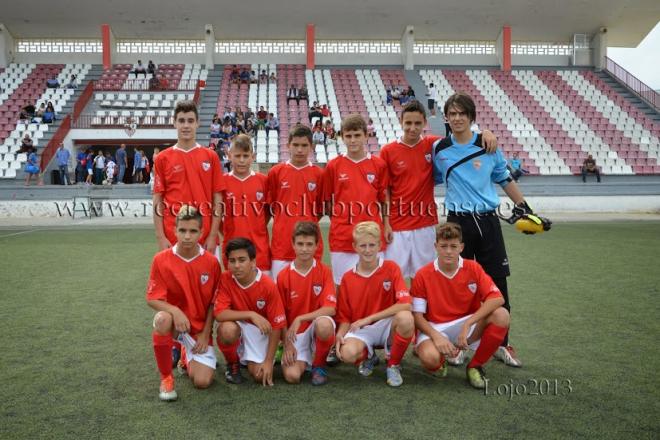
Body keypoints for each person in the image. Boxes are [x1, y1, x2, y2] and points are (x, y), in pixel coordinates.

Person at [433, 92, 541, 368]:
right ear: (446, 117)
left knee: (498, 283)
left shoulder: (488, 145)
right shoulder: (439, 150)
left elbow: (504, 179)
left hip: (488, 222)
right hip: (458, 223)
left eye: (462, 113)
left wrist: (525, 208)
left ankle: (502, 344)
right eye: (452, 113)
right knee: (461, 287)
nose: (457, 118)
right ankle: (461, 344)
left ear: (471, 117)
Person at [380, 101, 497, 280]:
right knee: (393, 277)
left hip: (425, 224)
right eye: (408, 123)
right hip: (396, 225)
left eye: (417, 123)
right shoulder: (388, 151)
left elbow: (462, 138)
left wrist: (485, 133)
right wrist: (386, 223)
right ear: (401, 122)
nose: (412, 128)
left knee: (423, 277)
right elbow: (385, 190)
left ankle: (421, 309)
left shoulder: (433, 145)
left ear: (425, 123)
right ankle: (398, 309)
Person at [412, 222, 510, 389]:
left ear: (461, 247)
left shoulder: (473, 268)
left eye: (453, 246)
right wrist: (436, 336)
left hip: (467, 324)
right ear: (436, 246)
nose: (448, 251)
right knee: (430, 358)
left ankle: (475, 366)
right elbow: (417, 316)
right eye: (443, 246)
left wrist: (467, 324)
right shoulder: (423, 274)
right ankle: (440, 360)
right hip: (435, 327)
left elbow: (497, 298)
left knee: (502, 315)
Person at [146, 206, 221, 401]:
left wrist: (206, 334)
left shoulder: (212, 262)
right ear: (174, 230)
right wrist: (175, 311)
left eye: (193, 231)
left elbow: (214, 302)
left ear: (202, 232)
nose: (187, 236)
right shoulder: (161, 260)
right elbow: (152, 298)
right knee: (161, 319)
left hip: (198, 331)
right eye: (183, 230)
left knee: (202, 382)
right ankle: (166, 378)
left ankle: (184, 357)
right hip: (174, 326)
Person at [334, 221, 413, 387]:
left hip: (387, 324)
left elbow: (405, 304)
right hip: (361, 329)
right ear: (355, 246)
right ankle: (369, 356)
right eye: (363, 245)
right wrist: (340, 335)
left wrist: (369, 319)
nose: (368, 250)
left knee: (406, 318)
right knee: (347, 354)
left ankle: (393, 364)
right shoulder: (348, 278)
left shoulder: (391, 268)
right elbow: (345, 317)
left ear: (379, 245)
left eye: (372, 245)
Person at [322, 114, 389, 285]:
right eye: (348, 136)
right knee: (342, 285)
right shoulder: (333, 166)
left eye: (357, 135)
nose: (353, 140)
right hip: (342, 237)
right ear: (342, 137)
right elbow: (327, 202)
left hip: (372, 237)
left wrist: (387, 225)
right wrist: (339, 221)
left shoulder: (378, 165)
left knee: (374, 285)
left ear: (366, 136)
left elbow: (384, 199)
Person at [152, 100, 225, 252]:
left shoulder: (211, 156)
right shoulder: (162, 158)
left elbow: (218, 198)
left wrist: (212, 236)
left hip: (205, 239)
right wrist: (161, 237)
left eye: (190, 121)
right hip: (173, 238)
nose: (186, 125)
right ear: (174, 123)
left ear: (197, 123)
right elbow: (158, 199)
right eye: (181, 121)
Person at [214, 238, 287, 386]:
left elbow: (277, 325)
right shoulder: (226, 278)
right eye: (232, 261)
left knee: (260, 376)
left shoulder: (267, 285)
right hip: (239, 327)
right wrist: (251, 315)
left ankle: (263, 356)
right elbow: (220, 314)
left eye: (242, 260)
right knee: (227, 330)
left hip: (261, 332)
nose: (237, 266)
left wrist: (267, 361)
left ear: (253, 262)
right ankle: (233, 364)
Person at [278, 221, 336, 386]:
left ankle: (318, 366)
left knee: (324, 325)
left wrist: (301, 318)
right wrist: (287, 343)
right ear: (293, 244)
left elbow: (330, 308)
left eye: (309, 244)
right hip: (296, 334)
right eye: (300, 244)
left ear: (317, 245)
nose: (304, 248)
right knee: (292, 376)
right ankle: (299, 356)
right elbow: (278, 315)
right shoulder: (283, 276)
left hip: (316, 325)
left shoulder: (325, 271)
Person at [266, 125, 324, 280]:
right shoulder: (275, 173)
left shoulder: (319, 174)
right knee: (280, 295)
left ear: (311, 147)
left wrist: (307, 222)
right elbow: (271, 207)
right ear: (288, 146)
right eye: (296, 145)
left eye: (304, 145)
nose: (299, 150)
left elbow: (321, 209)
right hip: (282, 246)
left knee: (310, 294)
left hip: (310, 246)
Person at [221, 134, 271, 273]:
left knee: (261, 293)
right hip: (232, 252)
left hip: (259, 252)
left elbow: (268, 213)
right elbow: (216, 216)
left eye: (245, 155)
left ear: (252, 156)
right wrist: (228, 231)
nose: (241, 160)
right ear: (229, 156)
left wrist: (257, 227)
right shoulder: (222, 182)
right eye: (237, 156)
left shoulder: (263, 181)